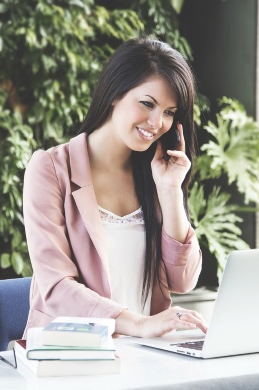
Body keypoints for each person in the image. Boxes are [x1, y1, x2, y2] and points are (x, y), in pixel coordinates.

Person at [22, 36, 208, 339]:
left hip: (147, 356)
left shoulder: (157, 174)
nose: (157, 122)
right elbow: (55, 287)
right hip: (73, 354)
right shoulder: (51, 169)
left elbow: (183, 280)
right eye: (147, 104)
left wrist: (171, 192)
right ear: (114, 94)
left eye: (170, 112)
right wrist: (137, 323)